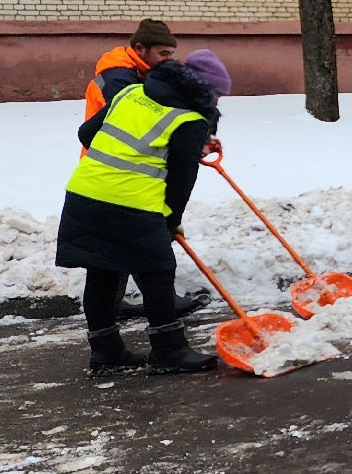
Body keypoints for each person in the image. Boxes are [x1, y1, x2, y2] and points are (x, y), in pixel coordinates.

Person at [57, 50, 232, 375]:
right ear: (204, 91)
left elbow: (87, 134)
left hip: (84, 193)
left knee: (101, 273)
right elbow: (180, 183)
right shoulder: (190, 119)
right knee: (157, 273)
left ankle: (106, 353)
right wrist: (171, 222)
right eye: (218, 94)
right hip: (132, 203)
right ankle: (169, 350)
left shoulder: (130, 92)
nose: (219, 101)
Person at [84, 18, 177, 121]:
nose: (169, 60)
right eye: (163, 54)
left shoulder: (140, 71)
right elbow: (134, 121)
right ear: (139, 49)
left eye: (171, 54)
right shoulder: (118, 80)